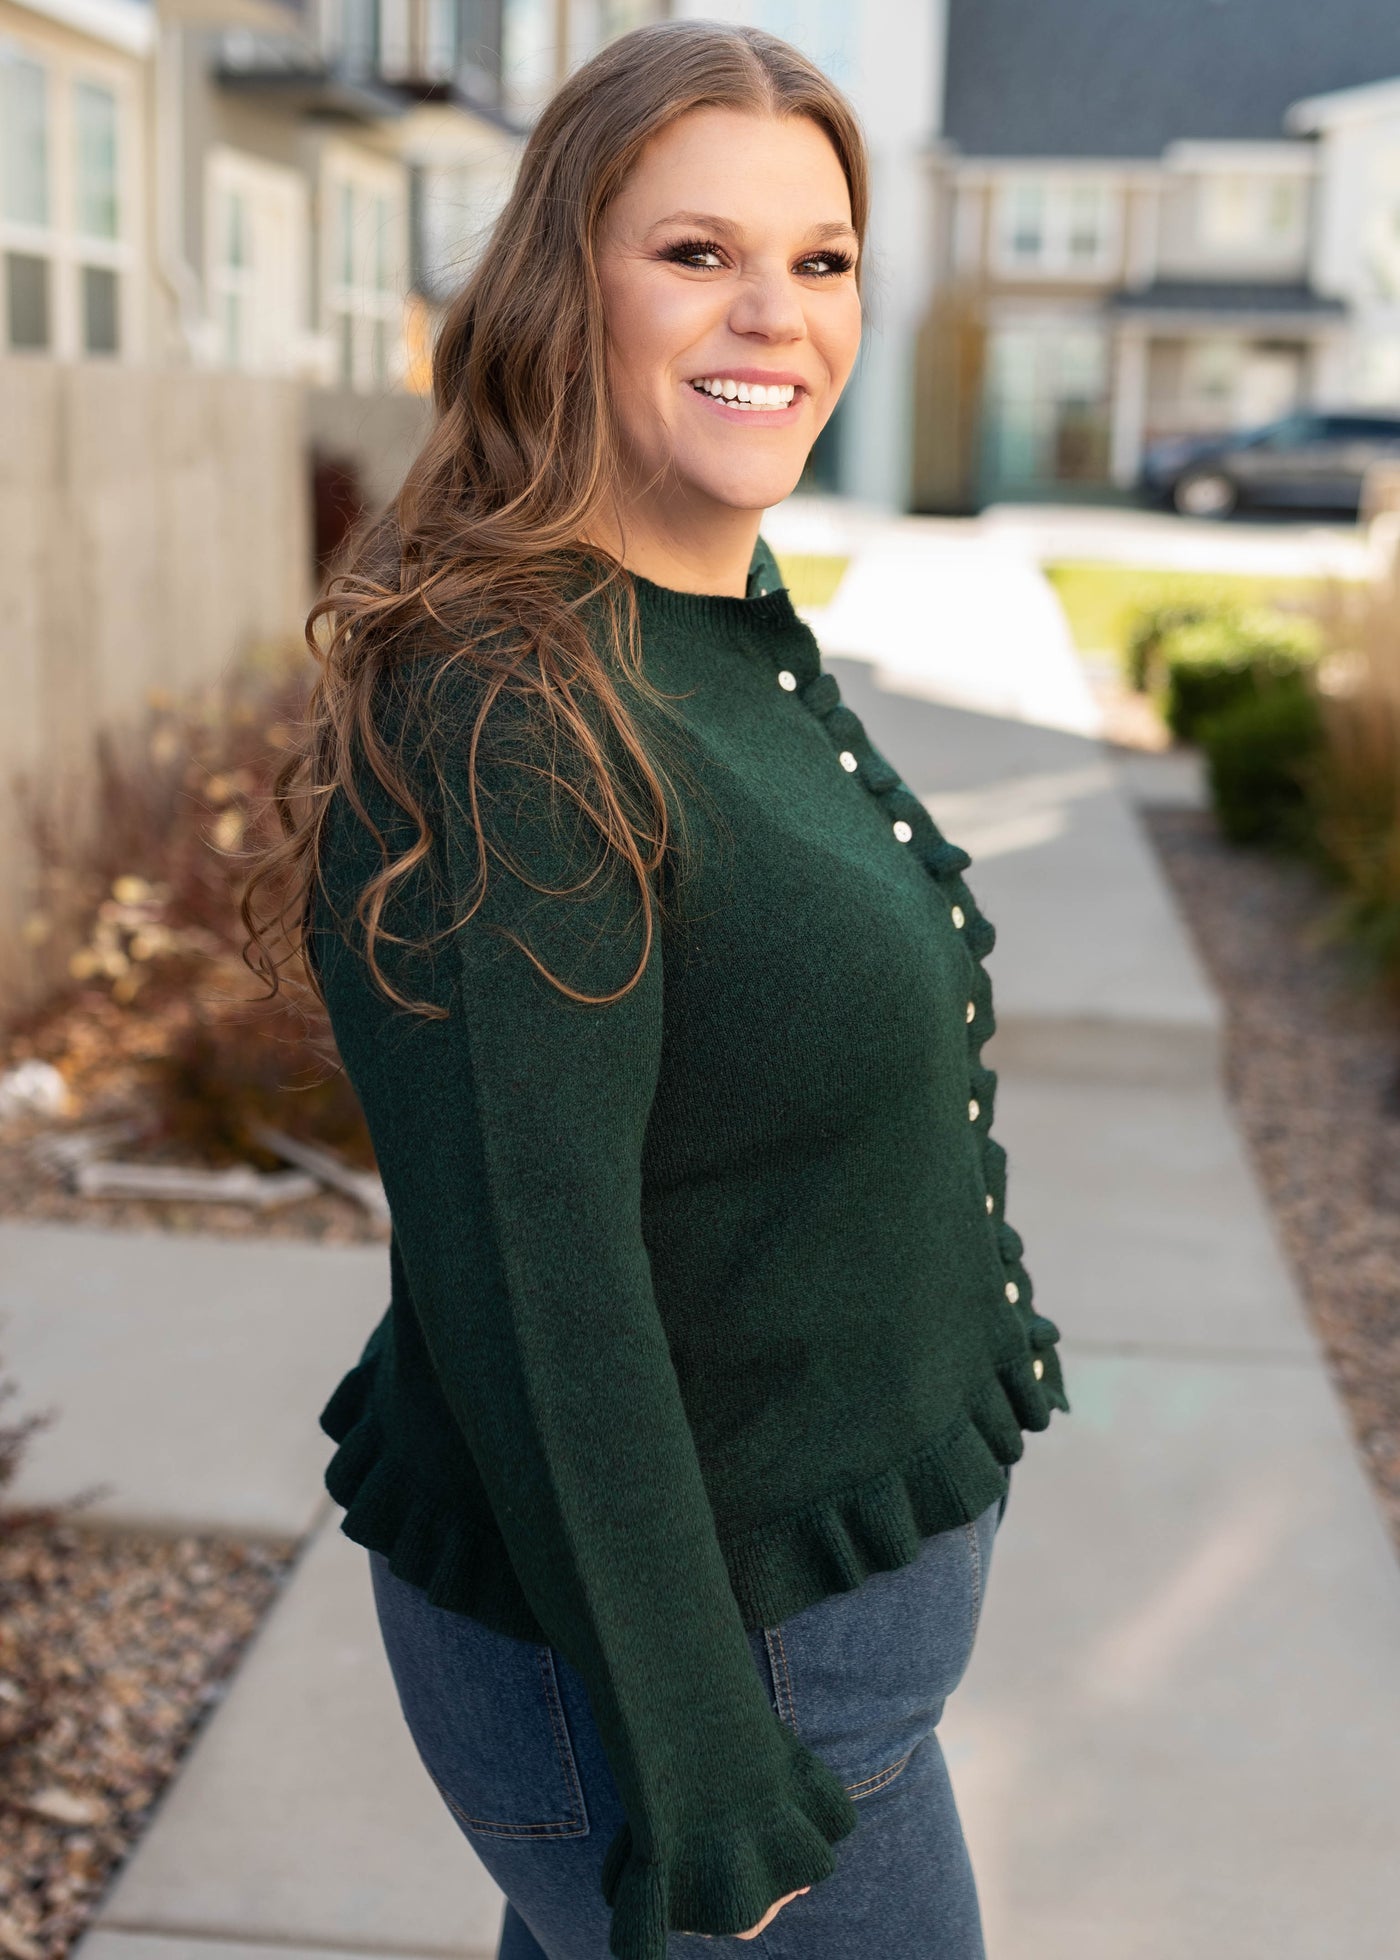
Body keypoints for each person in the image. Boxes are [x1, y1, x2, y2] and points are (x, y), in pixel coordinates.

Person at [241, 19, 1070, 1959]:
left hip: (804, 1653)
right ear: (565, 285)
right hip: (699, 1679)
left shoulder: (710, 625)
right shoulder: (512, 704)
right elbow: (535, 1269)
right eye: (694, 251)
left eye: (821, 256)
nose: (770, 311)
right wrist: (694, 1749)